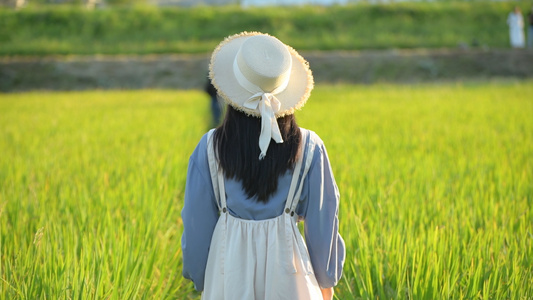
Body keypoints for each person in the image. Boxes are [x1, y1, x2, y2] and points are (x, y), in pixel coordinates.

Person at [181, 32, 345, 300]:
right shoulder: (310, 147)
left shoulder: (209, 148)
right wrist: (326, 280)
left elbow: (197, 231)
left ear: (232, 91)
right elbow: (323, 226)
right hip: (292, 283)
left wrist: (202, 277)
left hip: (227, 279)